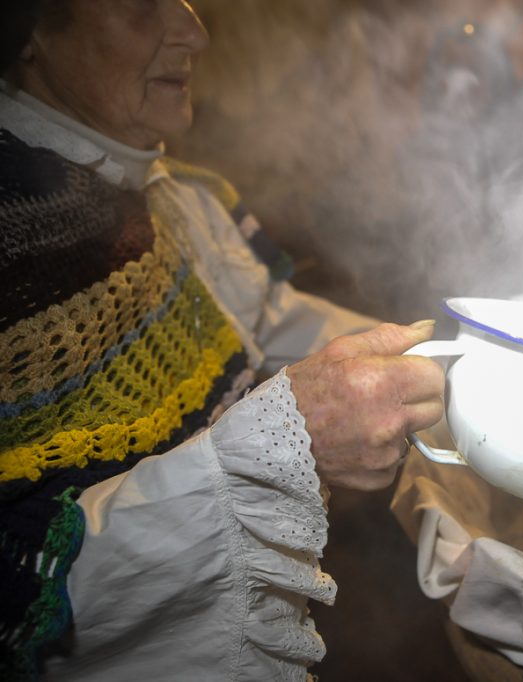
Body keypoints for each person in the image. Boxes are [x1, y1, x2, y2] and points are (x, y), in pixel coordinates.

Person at [0, 1, 445, 679]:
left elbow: (267, 317)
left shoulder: (177, 195)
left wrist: (439, 360)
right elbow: (24, 583)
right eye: (142, 4)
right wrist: (285, 442)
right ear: (29, 28)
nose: (195, 33)